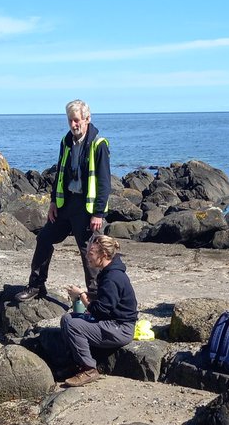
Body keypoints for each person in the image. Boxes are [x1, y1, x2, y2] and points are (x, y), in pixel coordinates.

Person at [15, 100, 111, 302]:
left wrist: (98, 213)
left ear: (87, 119)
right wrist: (53, 202)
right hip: (65, 204)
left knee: (90, 252)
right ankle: (36, 286)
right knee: (44, 238)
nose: (74, 125)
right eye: (70, 121)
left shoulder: (99, 144)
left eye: (77, 120)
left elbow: (104, 181)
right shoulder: (65, 142)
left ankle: (95, 299)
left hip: (86, 208)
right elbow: (59, 175)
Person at [59, 234, 138, 387]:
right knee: (67, 319)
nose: (87, 256)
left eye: (91, 253)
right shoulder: (109, 272)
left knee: (73, 325)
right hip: (112, 322)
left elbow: (101, 310)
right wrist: (86, 294)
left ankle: (89, 369)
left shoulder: (112, 277)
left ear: (103, 255)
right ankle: (76, 364)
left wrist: (82, 296)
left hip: (121, 328)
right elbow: (106, 300)